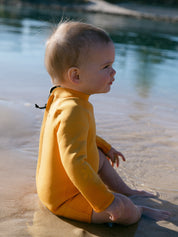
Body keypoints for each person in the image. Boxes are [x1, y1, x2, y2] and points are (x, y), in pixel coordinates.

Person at [36, 21, 171, 225]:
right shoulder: (74, 109)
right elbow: (74, 162)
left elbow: (70, 136)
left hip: (53, 186)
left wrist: (105, 147)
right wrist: (106, 202)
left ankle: (127, 191)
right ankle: (137, 209)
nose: (114, 72)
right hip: (64, 200)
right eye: (106, 66)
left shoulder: (61, 97)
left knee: (97, 156)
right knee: (124, 208)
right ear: (76, 75)